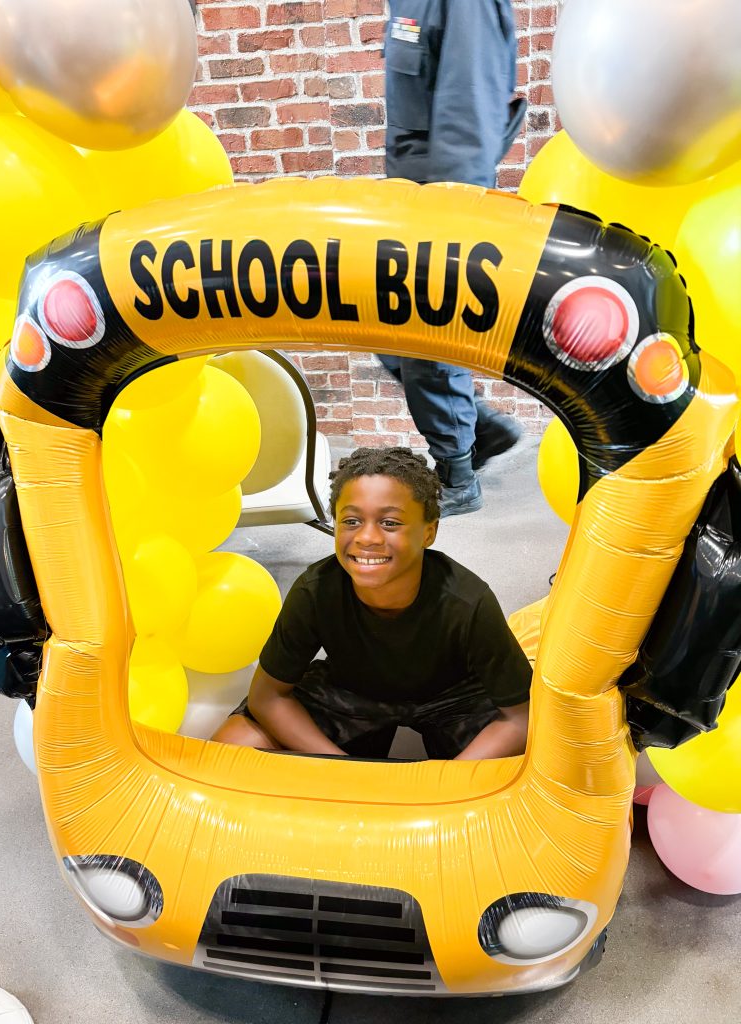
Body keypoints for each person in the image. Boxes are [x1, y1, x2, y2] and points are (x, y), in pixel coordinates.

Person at [212, 447, 531, 760]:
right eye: (351, 521)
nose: (367, 537)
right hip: (352, 690)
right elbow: (268, 697)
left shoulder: (467, 600)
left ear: (428, 532)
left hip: (453, 696)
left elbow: (520, 717)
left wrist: (449, 784)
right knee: (233, 748)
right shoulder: (316, 589)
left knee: (542, 756)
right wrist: (340, 768)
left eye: (390, 523)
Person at [379, 0, 527, 516]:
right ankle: (477, 431)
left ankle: (457, 474)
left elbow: (469, 117)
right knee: (384, 333)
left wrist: (447, 226)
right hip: (410, 195)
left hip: (441, 199)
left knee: (425, 340)